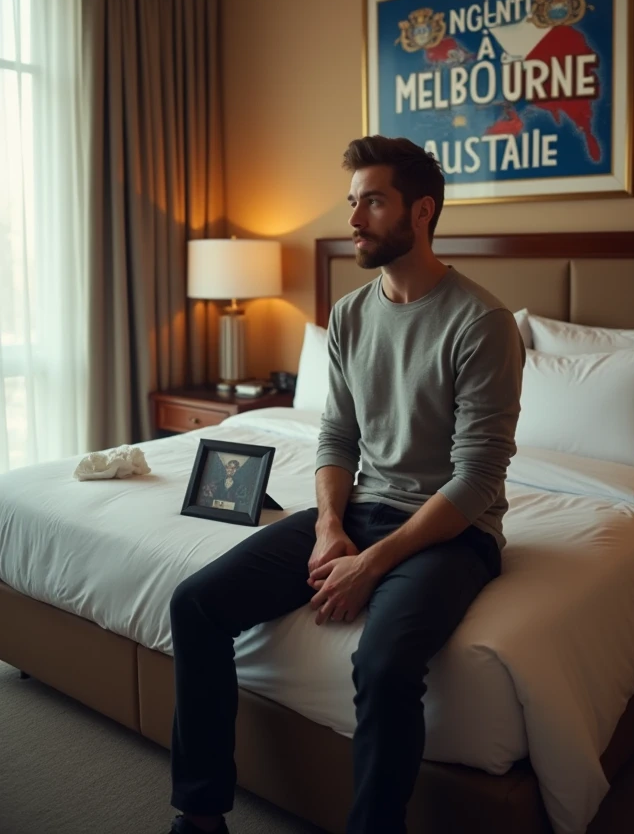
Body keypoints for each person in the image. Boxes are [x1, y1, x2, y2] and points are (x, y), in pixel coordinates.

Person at [166, 135, 524, 834]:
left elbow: (478, 478)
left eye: (373, 201)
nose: (354, 218)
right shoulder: (352, 315)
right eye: (353, 201)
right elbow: (336, 438)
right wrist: (332, 528)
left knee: (385, 664)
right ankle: (200, 814)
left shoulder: (482, 322)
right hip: (361, 508)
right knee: (196, 603)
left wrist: (373, 563)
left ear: (421, 212)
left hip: (454, 532)